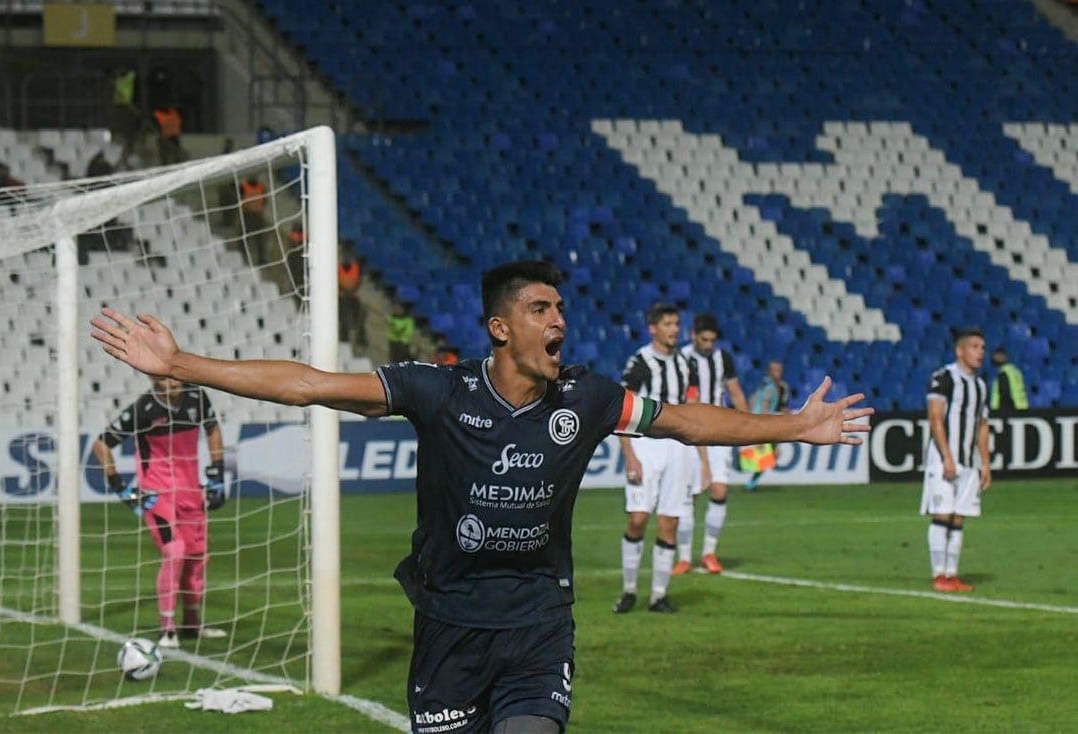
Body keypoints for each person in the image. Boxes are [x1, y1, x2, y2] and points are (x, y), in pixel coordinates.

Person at [89, 260, 870, 733]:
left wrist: (794, 425)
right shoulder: (439, 392)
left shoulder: (588, 399)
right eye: (540, 309)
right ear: (500, 328)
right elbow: (312, 386)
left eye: (560, 309)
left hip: (536, 626)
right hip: (449, 628)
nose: (559, 320)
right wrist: (186, 363)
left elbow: (686, 423)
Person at [92, 376, 229, 648]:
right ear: (153, 378)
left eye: (174, 375)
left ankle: (192, 623)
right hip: (156, 494)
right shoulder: (143, 409)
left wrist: (217, 471)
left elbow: (212, 428)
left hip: (191, 491)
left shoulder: (196, 396)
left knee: (196, 557)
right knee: (174, 550)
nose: (171, 381)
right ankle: (167, 628)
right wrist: (119, 484)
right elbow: (101, 444)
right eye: (164, 377)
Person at [613, 304, 704, 614]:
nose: (674, 329)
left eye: (677, 323)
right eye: (668, 324)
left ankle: (658, 595)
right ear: (653, 328)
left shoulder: (686, 364)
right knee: (638, 519)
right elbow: (622, 412)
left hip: (679, 448)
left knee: (670, 523)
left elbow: (694, 411)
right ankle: (628, 590)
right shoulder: (640, 363)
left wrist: (701, 460)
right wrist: (630, 456)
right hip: (646, 446)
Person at [674, 314, 749, 576]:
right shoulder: (682, 359)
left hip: (719, 430)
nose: (708, 345)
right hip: (689, 430)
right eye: (704, 339)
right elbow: (690, 401)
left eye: (712, 341)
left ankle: (709, 553)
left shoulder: (723, 358)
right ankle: (684, 558)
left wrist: (751, 428)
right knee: (689, 495)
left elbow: (736, 393)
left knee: (719, 490)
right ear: (693, 335)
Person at [922, 327, 992, 593]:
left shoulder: (980, 385)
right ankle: (938, 574)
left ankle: (952, 574)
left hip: (969, 461)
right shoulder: (944, 378)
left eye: (982, 348)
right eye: (974, 347)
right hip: (943, 459)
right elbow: (935, 418)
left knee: (960, 517)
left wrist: (985, 463)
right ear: (960, 350)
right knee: (943, 514)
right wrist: (947, 457)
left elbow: (982, 425)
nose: (980, 353)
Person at [743, 360, 787, 491]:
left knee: (771, 454)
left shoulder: (776, 386)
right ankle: (750, 479)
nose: (778, 373)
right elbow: (764, 407)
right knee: (770, 453)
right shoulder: (769, 387)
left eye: (779, 370)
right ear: (769, 371)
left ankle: (752, 480)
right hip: (763, 422)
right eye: (775, 370)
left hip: (764, 421)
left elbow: (752, 399)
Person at [109, 68, 139, 168]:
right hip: (121, 106)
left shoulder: (129, 79)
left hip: (126, 107)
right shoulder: (117, 82)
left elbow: (132, 73)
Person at [337, 245, 366, 347]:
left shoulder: (356, 268)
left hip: (352, 295)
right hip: (342, 295)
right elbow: (337, 282)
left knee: (360, 314)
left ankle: (361, 337)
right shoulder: (339, 268)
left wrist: (353, 290)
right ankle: (344, 336)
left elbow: (358, 281)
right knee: (343, 315)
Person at [990, 346, 1028, 413]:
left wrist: (996, 412)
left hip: (1010, 411)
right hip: (1022, 407)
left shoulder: (1003, 374)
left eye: (997, 355)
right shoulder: (1016, 372)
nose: (994, 357)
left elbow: (1004, 395)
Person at [240, 175, 268, 265]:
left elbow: (264, 200)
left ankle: (261, 258)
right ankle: (242, 256)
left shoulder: (261, 187)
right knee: (245, 237)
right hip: (247, 215)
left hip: (257, 215)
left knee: (259, 238)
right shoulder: (243, 186)